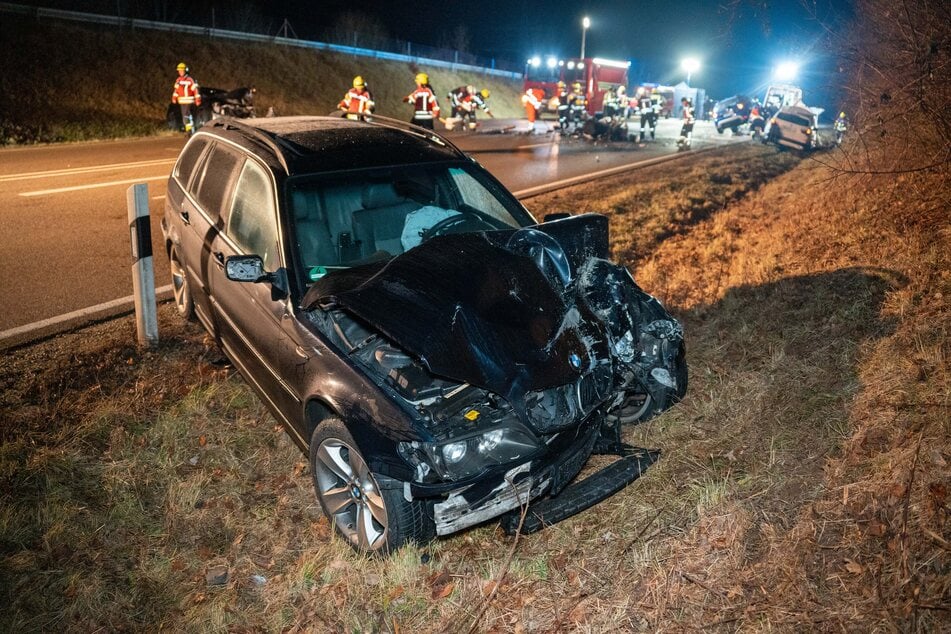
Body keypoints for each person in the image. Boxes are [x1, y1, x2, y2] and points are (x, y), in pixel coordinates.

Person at [171, 62, 202, 135]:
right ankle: (190, 130)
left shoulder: (190, 79)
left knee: (186, 115)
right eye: (179, 71)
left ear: (185, 70)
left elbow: (195, 90)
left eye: (182, 70)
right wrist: (174, 98)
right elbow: (176, 90)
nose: (180, 72)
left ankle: (189, 131)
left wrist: (198, 99)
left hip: (189, 101)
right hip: (182, 101)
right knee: (185, 116)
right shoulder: (178, 80)